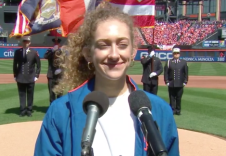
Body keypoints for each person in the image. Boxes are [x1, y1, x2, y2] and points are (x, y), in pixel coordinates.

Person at [34, 2, 179, 156]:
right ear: (88, 53)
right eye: (104, 45)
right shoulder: (62, 112)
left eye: (122, 44)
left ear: (132, 52)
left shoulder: (159, 110)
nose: (114, 54)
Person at [13, 36, 41, 117]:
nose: (26, 43)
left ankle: (29, 109)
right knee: (21, 94)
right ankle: (22, 110)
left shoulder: (34, 52)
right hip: (20, 76)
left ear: (30, 43)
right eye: (24, 41)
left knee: (30, 94)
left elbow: (38, 65)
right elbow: (15, 64)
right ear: (22, 42)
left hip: (30, 77)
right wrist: (15, 75)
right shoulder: (18, 52)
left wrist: (36, 75)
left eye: (27, 41)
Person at [164, 48, 188, 115]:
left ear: (179, 54)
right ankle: (172, 110)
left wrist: (185, 81)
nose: (176, 54)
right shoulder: (169, 62)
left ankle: (178, 110)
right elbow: (166, 72)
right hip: (171, 83)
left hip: (180, 83)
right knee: (171, 97)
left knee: (178, 97)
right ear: (173, 54)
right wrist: (166, 81)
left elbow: (186, 72)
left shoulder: (183, 62)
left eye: (177, 53)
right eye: (175, 53)